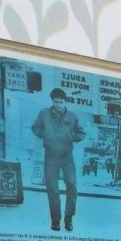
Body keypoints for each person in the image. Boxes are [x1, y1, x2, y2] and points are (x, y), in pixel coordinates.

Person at [31, 88, 85, 231]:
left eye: (61, 102)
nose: (59, 105)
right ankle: (55, 220)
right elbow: (35, 127)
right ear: (52, 101)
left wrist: (70, 137)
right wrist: (46, 134)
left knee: (72, 185)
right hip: (50, 156)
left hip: (67, 157)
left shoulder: (72, 116)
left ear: (64, 101)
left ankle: (68, 218)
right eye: (56, 102)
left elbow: (81, 133)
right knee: (52, 188)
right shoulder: (44, 114)